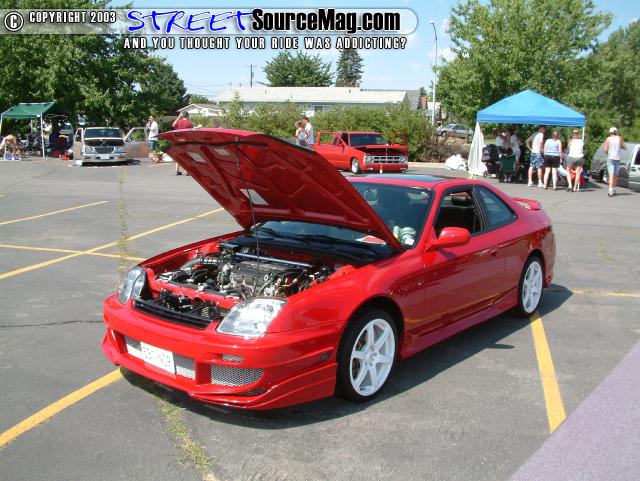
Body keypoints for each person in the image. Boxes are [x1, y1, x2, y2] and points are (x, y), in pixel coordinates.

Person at [604, 127, 627, 197]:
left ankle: (610, 190)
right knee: (615, 174)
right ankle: (614, 189)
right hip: (617, 158)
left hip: (610, 158)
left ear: (610, 132)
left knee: (611, 174)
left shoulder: (608, 139)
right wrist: (620, 146)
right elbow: (625, 147)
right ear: (616, 132)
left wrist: (608, 153)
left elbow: (605, 150)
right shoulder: (620, 138)